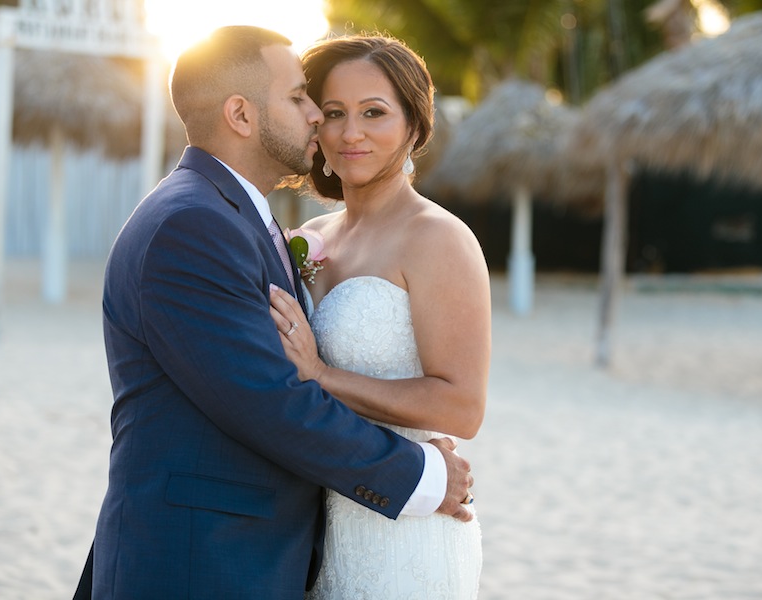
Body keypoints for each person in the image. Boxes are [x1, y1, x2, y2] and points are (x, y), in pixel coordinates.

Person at [74, 26, 475, 600]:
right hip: (201, 561)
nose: (318, 117)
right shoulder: (193, 225)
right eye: (301, 99)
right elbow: (273, 403)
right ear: (241, 114)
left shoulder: (235, 219)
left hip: (273, 551)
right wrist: (423, 475)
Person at [267, 34, 491, 599]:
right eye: (334, 113)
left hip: (407, 529)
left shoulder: (439, 239)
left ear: (414, 125)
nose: (350, 133)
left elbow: (461, 406)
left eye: (374, 112)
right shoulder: (308, 239)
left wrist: (323, 377)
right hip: (313, 525)